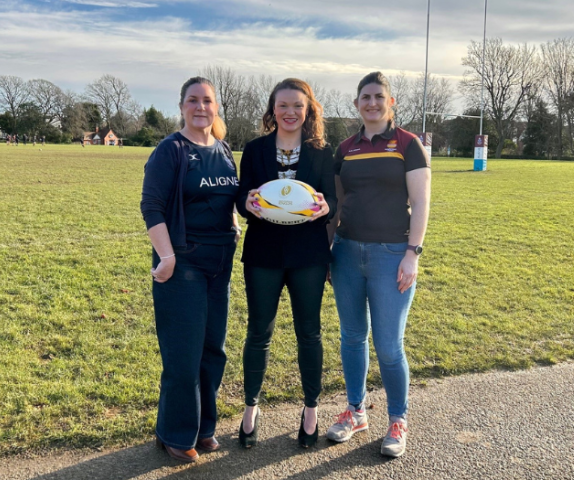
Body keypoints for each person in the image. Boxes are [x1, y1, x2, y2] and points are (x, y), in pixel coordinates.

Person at [326, 72, 431, 458]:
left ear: (391, 103)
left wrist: (412, 254)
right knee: (352, 337)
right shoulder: (345, 149)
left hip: (392, 256)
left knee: (389, 346)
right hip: (348, 253)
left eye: (378, 96)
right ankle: (356, 411)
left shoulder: (408, 144)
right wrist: (328, 251)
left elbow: (420, 203)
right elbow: (335, 208)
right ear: (357, 104)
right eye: (365, 97)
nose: (371, 103)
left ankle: (397, 419)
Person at [141, 76, 240, 463]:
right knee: (183, 353)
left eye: (208, 101)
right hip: (182, 262)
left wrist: (233, 219)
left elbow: (226, 195)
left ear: (216, 107)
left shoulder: (224, 149)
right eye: (193, 100)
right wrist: (166, 257)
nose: (201, 107)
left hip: (221, 262)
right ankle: (175, 433)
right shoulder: (171, 150)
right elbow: (152, 206)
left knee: (213, 350)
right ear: (181, 106)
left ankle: (203, 428)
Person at [236, 78, 336, 449]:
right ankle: (250, 409)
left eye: (298, 105)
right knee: (258, 332)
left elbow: (332, 203)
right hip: (263, 252)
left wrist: (327, 209)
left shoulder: (323, 152)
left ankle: (310, 409)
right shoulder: (255, 149)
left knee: (309, 332)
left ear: (308, 109)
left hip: (308, 254)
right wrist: (245, 203)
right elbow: (241, 196)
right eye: (283, 105)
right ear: (272, 110)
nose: (290, 112)